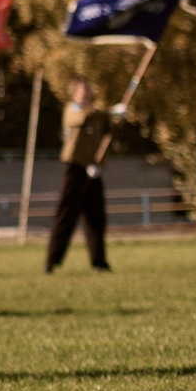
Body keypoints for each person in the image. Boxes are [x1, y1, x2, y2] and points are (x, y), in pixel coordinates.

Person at [46, 79, 114, 274]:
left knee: (96, 217)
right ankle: (52, 261)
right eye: (83, 90)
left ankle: (99, 261)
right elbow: (82, 118)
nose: (86, 92)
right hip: (74, 168)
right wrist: (110, 112)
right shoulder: (72, 109)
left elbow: (105, 137)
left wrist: (115, 118)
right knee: (66, 215)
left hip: (92, 168)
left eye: (88, 89)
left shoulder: (97, 114)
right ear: (74, 93)